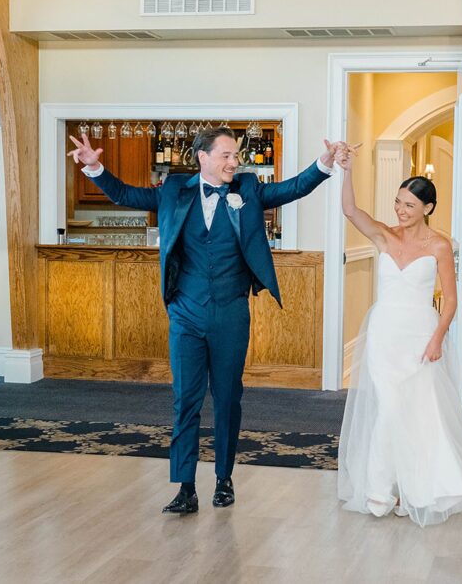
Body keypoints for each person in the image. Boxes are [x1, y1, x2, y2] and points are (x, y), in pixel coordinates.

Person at [67, 126, 341, 514]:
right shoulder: (174, 191)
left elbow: (293, 188)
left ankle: (224, 479)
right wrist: (95, 169)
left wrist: (324, 164)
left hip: (231, 313)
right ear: (203, 157)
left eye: (236, 155)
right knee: (185, 401)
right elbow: (128, 195)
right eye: (227, 155)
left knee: (228, 399)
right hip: (185, 313)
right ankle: (185, 486)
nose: (235, 162)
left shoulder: (247, 189)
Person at [335, 145, 462, 527]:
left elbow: (452, 301)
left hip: (421, 336)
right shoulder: (384, 237)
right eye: (397, 203)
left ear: (427, 207)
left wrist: (437, 338)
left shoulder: (439, 245)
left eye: (408, 205)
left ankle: (412, 489)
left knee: (415, 411)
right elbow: (351, 211)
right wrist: (346, 170)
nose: (400, 211)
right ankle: (378, 489)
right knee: (389, 407)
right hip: (385, 333)